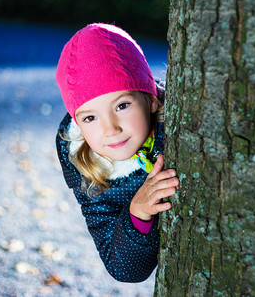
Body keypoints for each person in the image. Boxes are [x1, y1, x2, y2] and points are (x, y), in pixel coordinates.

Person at [55, 23, 178, 282]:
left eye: (122, 105)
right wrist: (138, 215)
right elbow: (124, 270)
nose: (110, 129)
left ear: (151, 99)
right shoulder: (90, 173)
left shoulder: (178, 126)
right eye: (90, 118)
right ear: (78, 125)